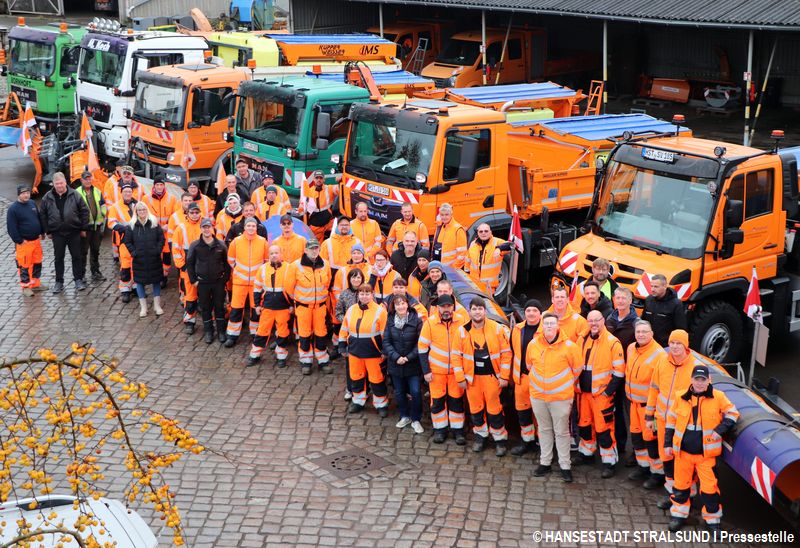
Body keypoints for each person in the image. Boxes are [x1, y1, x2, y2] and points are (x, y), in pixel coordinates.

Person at [664, 365, 739, 533]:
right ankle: (678, 516)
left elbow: (733, 413)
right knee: (680, 486)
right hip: (683, 454)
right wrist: (668, 444)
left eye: (702, 380)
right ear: (691, 380)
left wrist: (719, 430)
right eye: (696, 380)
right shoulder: (680, 397)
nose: (699, 383)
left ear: (708, 381)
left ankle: (712, 522)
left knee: (710, 490)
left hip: (706, 456)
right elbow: (670, 422)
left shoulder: (718, 397)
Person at [645, 329, 696, 509]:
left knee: (682, 463)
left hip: (682, 426)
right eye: (672, 343)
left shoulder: (694, 368)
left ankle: (688, 494)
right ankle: (672, 493)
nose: (674, 347)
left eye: (678, 343)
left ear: (685, 346)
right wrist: (649, 415)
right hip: (662, 422)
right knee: (666, 459)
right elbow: (654, 389)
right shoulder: (662, 362)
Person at [527, 312, 581, 483]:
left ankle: (565, 465)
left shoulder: (570, 347)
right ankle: (545, 462)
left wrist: (560, 386)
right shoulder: (533, 344)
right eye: (546, 323)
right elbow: (530, 365)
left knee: (562, 432)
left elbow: (577, 369)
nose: (549, 326)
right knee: (543, 430)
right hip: (538, 397)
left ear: (558, 326)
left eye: (552, 323)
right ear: (542, 326)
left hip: (560, 398)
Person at [455, 297, 512, 456]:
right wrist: (460, 377)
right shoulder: (462, 331)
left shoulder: (497, 329)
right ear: (469, 311)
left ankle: (500, 440)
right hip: (472, 379)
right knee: (476, 410)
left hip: (492, 378)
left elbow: (507, 354)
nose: (477, 312)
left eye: (480, 309)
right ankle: (480, 437)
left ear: (485, 311)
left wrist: (504, 376)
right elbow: (456, 356)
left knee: (495, 410)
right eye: (474, 309)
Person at [572, 310, 625, 478]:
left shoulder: (612, 342)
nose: (594, 324)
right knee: (584, 426)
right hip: (583, 394)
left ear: (603, 320)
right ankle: (586, 454)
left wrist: (608, 392)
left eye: (597, 320)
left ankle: (609, 462)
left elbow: (619, 372)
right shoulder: (582, 339)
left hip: (601, 395)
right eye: (591, 321)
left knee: (604, 429)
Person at [418, 294, 466, 445]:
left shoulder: (462, 321)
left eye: (448, 306)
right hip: (436, 372)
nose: (446, 309)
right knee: (437, 402)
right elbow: (422, 348)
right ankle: (440, 430)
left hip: (456, 372)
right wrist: (426, 371)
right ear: (437, 307)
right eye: (443, 306)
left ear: (453, 306)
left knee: (456, 402)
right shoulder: (430, 323)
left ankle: (458, 431)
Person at [625, 320, 667, 485]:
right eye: (638, 332)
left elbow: (661, 387)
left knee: (652, 441)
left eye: (644, 332)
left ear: (652, 334)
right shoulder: (631, 348)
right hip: (634, 404)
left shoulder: (660, 355)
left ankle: (657, 473)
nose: (641, 335)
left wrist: (654, 411)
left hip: (649, 409)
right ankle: (643, 467)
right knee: (637, 439)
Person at [285, 238, 332, 375]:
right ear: (305, 250)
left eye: (316, 248)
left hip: (320, 307)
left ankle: (323, 360)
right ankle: (306, 361)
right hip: (303, 307)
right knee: (304, 334)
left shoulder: (325, 265)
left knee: (321, 333)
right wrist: (298, 301)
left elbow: (327, 283)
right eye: (311, 248)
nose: (314, 251)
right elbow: (288, 288)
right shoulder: (295, 266)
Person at [340, 283, 389, 415]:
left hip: (374, 352)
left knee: (377, 379)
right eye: (362, 293)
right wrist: (342, 344)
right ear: (358, 295)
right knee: (356, 377)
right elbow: (344, 329)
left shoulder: (380, 311)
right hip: (355, 352)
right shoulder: (351, 310)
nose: (364, 296)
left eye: (367, 293)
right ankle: (358, 401)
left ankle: (381, 404)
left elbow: (386, 333)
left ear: (372, 295)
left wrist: (385, 350)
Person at [605, 286, 639, 464]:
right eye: (617, 298)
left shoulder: (636, 324)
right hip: (613, 375)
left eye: (623, 298)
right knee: (616, 413)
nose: (619, 301)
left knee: (632, 415)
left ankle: (636, 452)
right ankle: (619, 445)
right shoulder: (609, 319)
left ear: (630, 301)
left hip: (629, 377)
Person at [40, 172, 90, 294]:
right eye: (57, 184)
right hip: (57, 233)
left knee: (77, 257)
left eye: (61, 183)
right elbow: (43, 215)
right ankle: (59, 282)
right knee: (58, 258)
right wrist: (47, 231)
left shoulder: (75, 194)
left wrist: (83, 228)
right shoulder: (47, 197)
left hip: (74, 231)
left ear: (65, 182)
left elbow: (84, 211)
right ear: (53, 184)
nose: (59, 186)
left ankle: (78, 280)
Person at [384, 294, 424, 434]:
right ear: (394, 307)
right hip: (396, 364)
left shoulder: (417, 321)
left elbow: (420, 343)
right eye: (397, 304)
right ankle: (404, 416)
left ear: (407, 305)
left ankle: (416, 419)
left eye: (403, 303)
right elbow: (386, 342)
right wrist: (396, 357)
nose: (400, 306)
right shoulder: (389, 321)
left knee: (415, 391)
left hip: (412, 364)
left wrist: (408, 357)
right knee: (399, 392)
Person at [506, 299, 542, 456]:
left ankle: (540, 442)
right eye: (528, 311)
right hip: (521, 378)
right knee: (523, 412)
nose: (531, 313)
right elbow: (513, 352)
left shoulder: (546, 330)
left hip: (540, 380)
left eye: (534, 310)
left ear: (540, 313)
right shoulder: (518, 329)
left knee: (540, 413)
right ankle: (526, 441)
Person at [225, 217, 269, 346]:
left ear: (257, 228)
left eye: (253, 226)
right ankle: (232, 335)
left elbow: (266, 262)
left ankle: (255, 333)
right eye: (248, 226)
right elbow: (231, 259)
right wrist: (240, 272)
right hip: (239, 282)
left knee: (256, 308)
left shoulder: (263, 242)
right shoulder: (236, 242)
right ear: (244, 227)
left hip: (256, 283)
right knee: (236, 309)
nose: (251, 228)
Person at [187, 218, 229, 344]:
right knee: (205, 308)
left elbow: (227, 264)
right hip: (202, 282)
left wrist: (224, 279)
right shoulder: (195, 245)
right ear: (201, 229)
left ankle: (221, 332)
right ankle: (209, 332)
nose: (206, 229)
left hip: (218, 282)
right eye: (204, 227)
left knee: (219, 307)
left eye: (208, 227)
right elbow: (190, 263)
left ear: (212, 228)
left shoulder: (220, 245)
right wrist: (193, 280)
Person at [248, 245, 291, 366]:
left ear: (281, 254)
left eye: (276, 253)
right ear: (268, 256)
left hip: (283, 307)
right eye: (271, 253)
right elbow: (257, 288)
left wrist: (292, 305)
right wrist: (257, 305)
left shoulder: (289, 268)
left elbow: (293, 289)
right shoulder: (262, 269)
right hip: (267, 306)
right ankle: (255, 355)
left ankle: (281, 356)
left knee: (283, 332)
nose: (274, 255)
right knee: (262, 331)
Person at [124, 202, 165, 318]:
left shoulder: (154, 223)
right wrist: (134, 253)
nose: (142, 212)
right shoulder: (131, 226)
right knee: (140, 282)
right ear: (136, 212)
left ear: (147, 210)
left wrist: (158, 250)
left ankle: (157, 306)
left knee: (156, 281)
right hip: (139, 260)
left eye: (143, 210)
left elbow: (161, 238)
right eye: (139, 210)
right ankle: (144, 307)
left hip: (154, 258)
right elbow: (127, 242)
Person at [7, 184, 46, 296]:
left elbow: (38, 218)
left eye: (28, 193)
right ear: (19, 194)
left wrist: (42, 232)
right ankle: (26, 287)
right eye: (23, 193)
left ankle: (35, 284)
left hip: (36, 241)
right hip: (24, 243)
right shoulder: (13, 209)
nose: (26, 195)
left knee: (37, 262)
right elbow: (11, 228)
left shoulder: (32, 204)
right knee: (24, 265)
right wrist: (19, 240)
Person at [172, 203, 204, 332]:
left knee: (206, 296)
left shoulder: (205, 226)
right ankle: (189, 321)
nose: (195, 215)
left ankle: (208, 322)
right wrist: (182, 266)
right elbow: (176, 249)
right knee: (190, 297)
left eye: (197, 212)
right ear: (187, 213)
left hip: (202, 268)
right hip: (188, 269)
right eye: (192, 213)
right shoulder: (181, 228)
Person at [336, 268, 366, 399]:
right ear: (349, 279)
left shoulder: (367, 293)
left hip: (365, 334)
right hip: (350, 334)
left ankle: (365, 389)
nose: (356, 280)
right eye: (353, 277)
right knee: (351, 364)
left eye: (359, 277)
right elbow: (338, 312)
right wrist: (347, 321)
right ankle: (350, 389)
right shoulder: (344, 294)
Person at [107, 184, 138, 300]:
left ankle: (135, 286)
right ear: (121, 193)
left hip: (137, 239)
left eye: (129, 191)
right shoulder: (116, 207)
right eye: (125, 192)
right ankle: (125, 289)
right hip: (124, 239)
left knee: (136, 264)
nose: (128, 194)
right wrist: (122, 228)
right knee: (125, 265)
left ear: (132, 192)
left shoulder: (136, 204)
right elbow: (111, 222)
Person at [143, 179, 177, 281]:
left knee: (166, 255)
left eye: (161, 184)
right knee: (155, 254)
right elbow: (144, 215)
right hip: (153, 232)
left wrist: (169, 225)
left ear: (164, 185)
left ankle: (164, 276)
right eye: (157, 184)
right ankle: (156, 275)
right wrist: (157, 226)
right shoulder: (146, 198)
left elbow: (174, 215)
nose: (159, 187)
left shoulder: (172, 198)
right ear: (154, 186)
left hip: (167, 232)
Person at [76, 170, 106, 282]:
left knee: (95, 250)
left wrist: (103, 214)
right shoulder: (77, 193)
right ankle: (81, 275)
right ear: (81, 180)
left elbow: (103, 204)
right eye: (85, 179)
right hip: (85, 228)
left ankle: (95, 272)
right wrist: (80, 227)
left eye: (89, 178)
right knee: (83, 252)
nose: (88, 181)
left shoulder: (97, 191)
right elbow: (75, 211)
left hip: (96, 226)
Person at [465, 223, 512, 295]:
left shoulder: (497, 242)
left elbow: (512, 245)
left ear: (490, 232)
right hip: (474, 287)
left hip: (489, 289)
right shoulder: (473, 244)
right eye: (481, 231)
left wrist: (499, 248)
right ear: (477, 233)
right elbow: (467, 263)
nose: (483, 233)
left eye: (486, 231)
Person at [642, 274, 688, 347]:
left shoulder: (676, 304)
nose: (652, 289)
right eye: (651, 286)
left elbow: (681, 330)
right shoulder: (648, 300)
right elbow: (643, 322)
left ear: (665, 286)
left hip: (666, 347)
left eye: (656, 286)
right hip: (649, 345)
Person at [298, 170, 338, 241]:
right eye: (317, 178)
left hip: (329, 223)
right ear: (313, 179)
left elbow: (338, 189)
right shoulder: (308, 192)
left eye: (321, 178)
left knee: (337, 237)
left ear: (324, 179)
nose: (319, 180)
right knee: (316, 246)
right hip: (316, 225)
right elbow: (301, 209)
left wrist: (340, 181)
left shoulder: (329, 188)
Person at [431, 203, 467, 269]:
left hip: (452, 270)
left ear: (451, 214)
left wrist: (454, 268)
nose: (444, 217)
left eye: (446, 215)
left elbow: (462, 254)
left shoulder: (458, 229)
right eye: (442, 215)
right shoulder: (440, 227)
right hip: (439, 269)